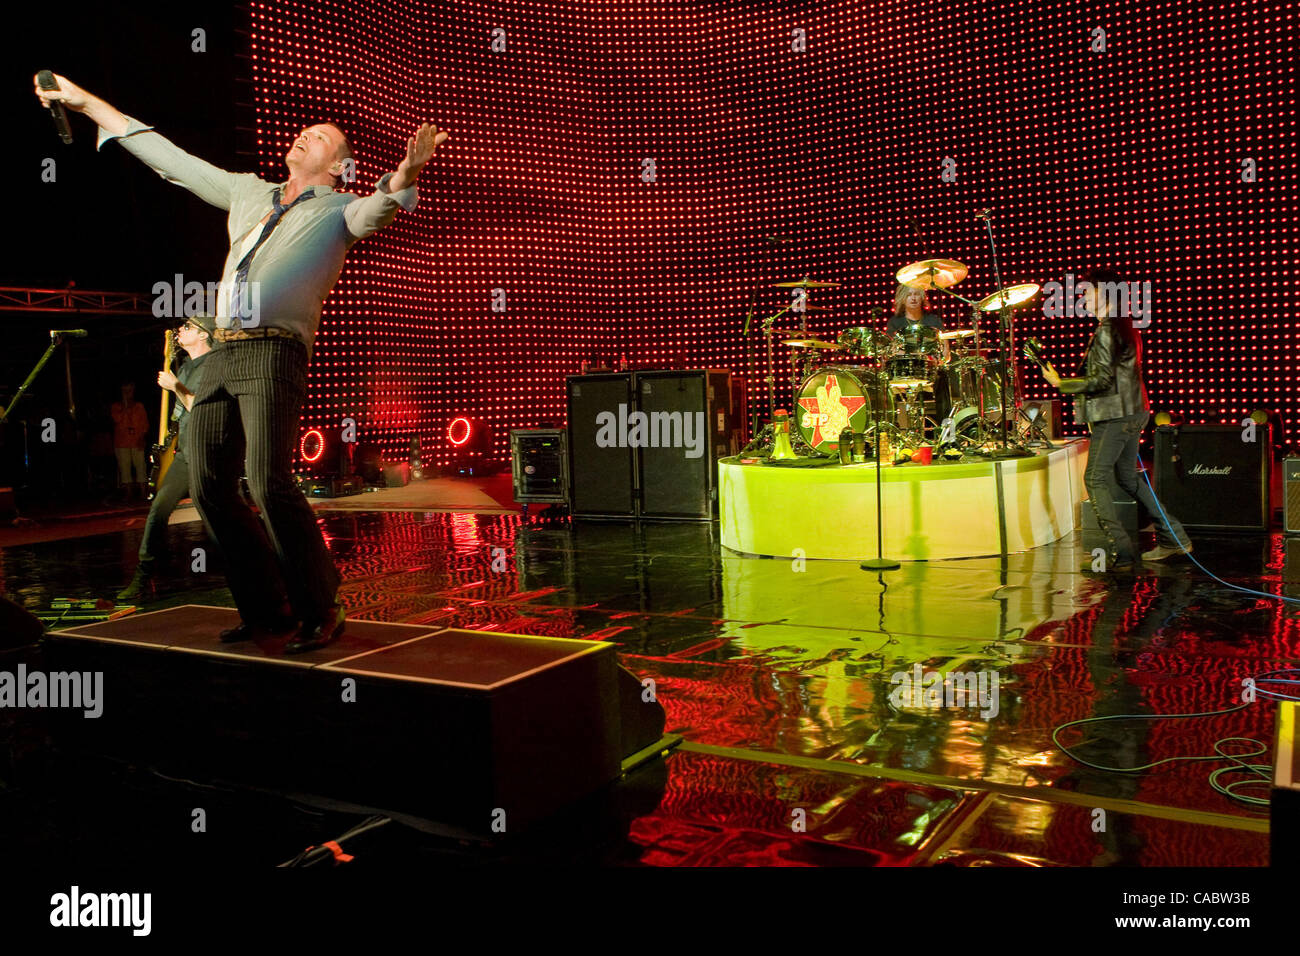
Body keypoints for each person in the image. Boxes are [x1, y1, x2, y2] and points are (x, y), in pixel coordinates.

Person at [37, 72, 450, 652]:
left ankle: (320, 604)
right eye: (305, 130)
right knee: (208, 486)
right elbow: (170, 158)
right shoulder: (248, 192)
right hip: (220, 350)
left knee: (267, 480)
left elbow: (379, 209)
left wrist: (405, 174)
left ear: (340, 167)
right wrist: (83, 103)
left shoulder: (340, 208)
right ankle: (267, 608)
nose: (305, 135)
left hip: (273, 349)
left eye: (321, 136)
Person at [1039, 267, 1193, 571]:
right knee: (1127, 477)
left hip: (1116, 416)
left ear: (1106, 294)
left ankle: (1121, 553)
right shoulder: (1124, 324)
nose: (1082, 298)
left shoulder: (1109, 328)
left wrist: (1061, 383)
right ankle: (1174, 538)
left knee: (1095, 478)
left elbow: (1102, 379)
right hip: (1133, 411)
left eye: (1088, 292)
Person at [117, 316, 216, 602]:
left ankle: (254, 571)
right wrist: (164, 448)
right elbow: (179, 415)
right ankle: (142, 576)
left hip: (208, 455)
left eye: (188, 327)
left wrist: (176, 387)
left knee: (219, 518)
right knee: (158, 510)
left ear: (204, 335)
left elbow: (201, 408)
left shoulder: (215, 366)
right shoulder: (185, 367)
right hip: (185, 454)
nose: (181, 330)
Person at [109, 381, 149, 502]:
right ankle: (128, 492)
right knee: (125, 468)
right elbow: (117, 419)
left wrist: (142, 438)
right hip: (122, 442)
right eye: (125, 391)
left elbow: (145, 424)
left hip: (137, 441)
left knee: (140, 466)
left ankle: (143, 492)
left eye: (130, 391)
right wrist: (125, 406)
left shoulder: (139, 406)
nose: (128, 393)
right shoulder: (116, 407)